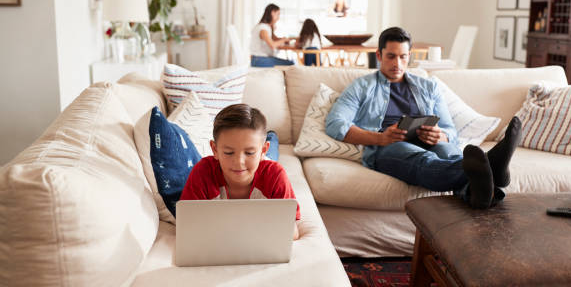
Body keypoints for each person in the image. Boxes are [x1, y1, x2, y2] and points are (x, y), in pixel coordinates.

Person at [325, 27, 522, 209]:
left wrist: (440, 136)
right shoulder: (361, 86)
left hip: (427, 141)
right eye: (391, 57)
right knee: (423, 159)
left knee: (448, 151)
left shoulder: (429, 87)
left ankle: (477, 192)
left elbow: (450, 130)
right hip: (387, 147)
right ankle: (494, 169)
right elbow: (336, 124)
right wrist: (381, 138)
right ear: (379, 55)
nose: (397, 63)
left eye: (403, 57)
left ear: (409, 56)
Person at [180, 104, 300, 240]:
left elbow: (293, 232)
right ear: (214, 150)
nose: (239, 162)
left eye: (249, 152)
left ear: (263, 151)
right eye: (229, 152)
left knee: (272, 152)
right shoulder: (202, 172)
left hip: (264, 162)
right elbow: (187, 225)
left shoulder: (275, 174)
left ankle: (272, 138)